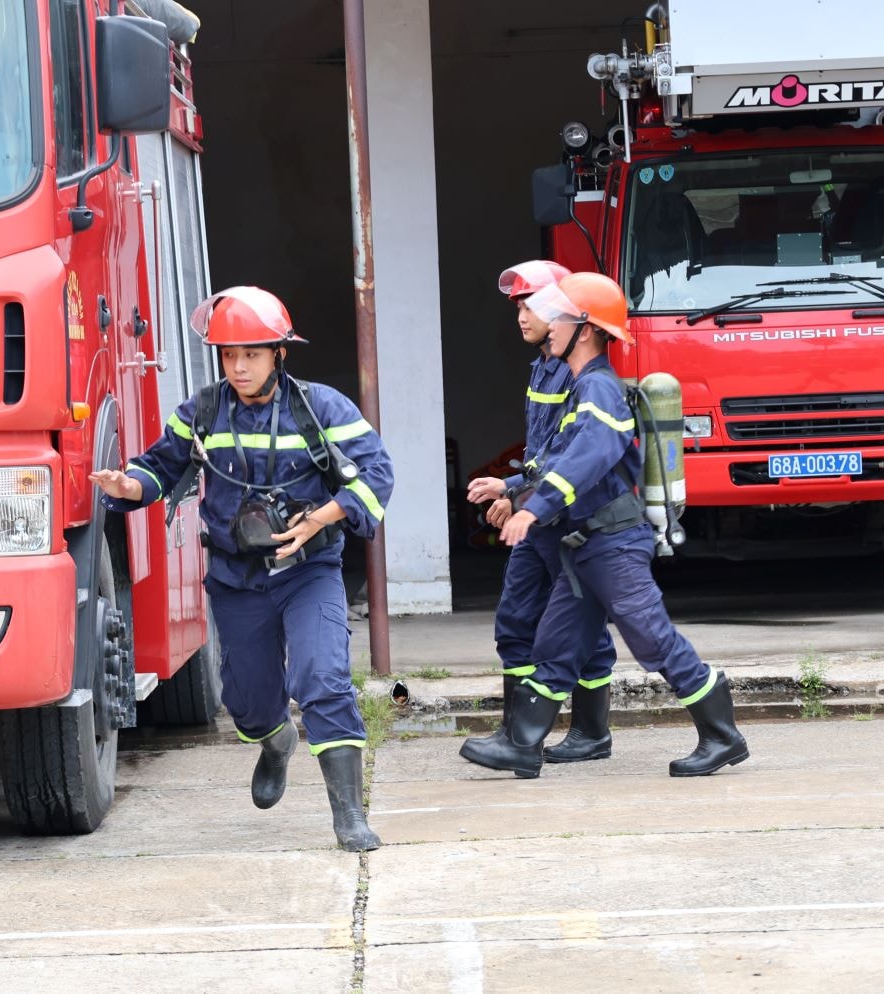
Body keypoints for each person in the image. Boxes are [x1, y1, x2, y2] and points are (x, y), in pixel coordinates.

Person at [90, 286, 395, 850]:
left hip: (308, 570)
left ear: (280, 353)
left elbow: (377, 474)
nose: (238, 366)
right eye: (229, 354)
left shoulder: (321, 408)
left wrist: (318, 519)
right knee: (248, 703)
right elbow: (160, 466)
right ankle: (276, 743)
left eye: (251, 354)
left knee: (323, 678)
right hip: (236, 578)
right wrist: (128, 485)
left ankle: (349, 815)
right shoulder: (203, 411)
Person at [459, 272, 749, 780]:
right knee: (556, 642)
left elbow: (587, 457)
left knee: (652, 639)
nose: (548, 325)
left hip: (613, 544)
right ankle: (521, 744)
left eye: (558, 317)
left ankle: (722, 735)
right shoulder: (578, 387)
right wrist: (513, 489)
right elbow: (553, 458)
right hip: (582, 544)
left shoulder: (599, 388)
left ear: (587, 329)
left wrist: (532, 509)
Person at [466, 260, 619, 762]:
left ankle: (589, 733)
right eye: (517, 307)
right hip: (538, 515)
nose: (521, 316)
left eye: (531, 306)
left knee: (582, 628)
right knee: (516, 619)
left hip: (564, 519)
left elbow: (568, 453)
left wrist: (515, 494)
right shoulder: (545, 365)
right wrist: (511, 487)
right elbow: (542, 450)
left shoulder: (578, 373)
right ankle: (516, 734)